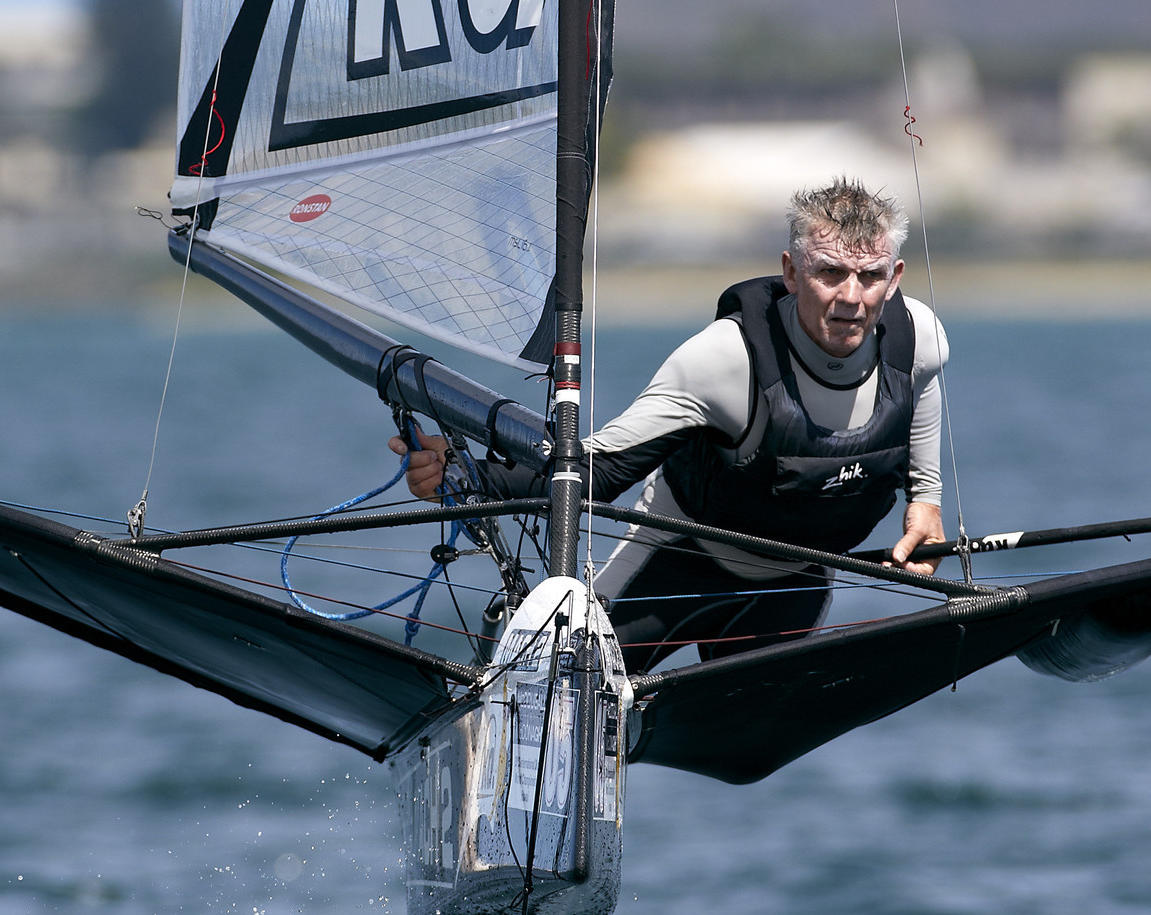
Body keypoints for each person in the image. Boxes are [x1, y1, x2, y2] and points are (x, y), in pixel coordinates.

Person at [390, 177, 948, 671]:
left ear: (894, 276)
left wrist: (926, 500)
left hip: (793, 581)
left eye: (869, 276)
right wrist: (463, 475)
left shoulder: (918, 339)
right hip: (675, 558)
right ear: (792, 272)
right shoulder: (724, 360)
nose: (851, 297)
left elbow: (919, 398)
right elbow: (595, 475)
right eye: (829, 273)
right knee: (567, 680)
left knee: (745, 753)